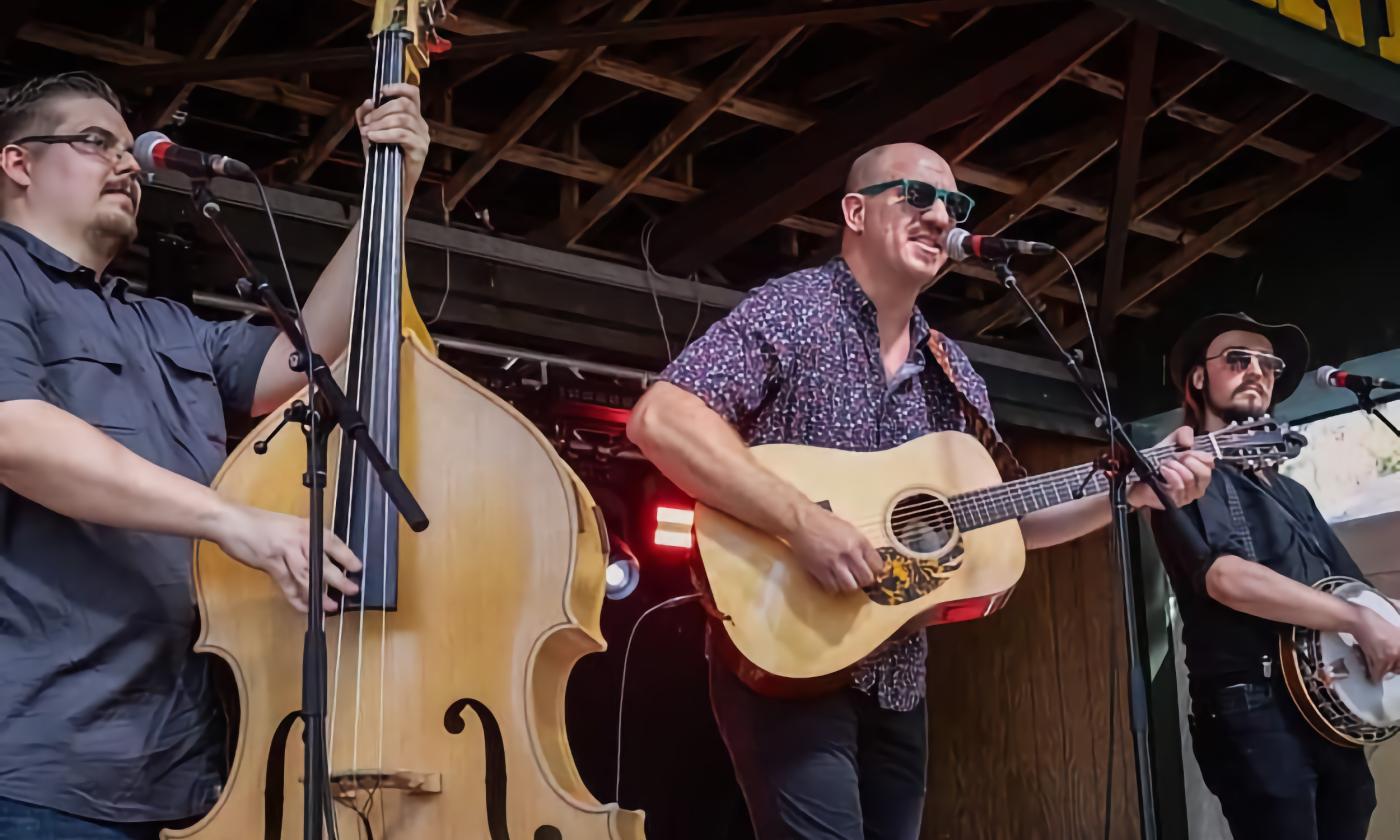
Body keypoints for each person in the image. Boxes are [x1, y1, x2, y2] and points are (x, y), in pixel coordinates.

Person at [626, 141, 1216, 840]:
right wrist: (803, 524)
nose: (941, 215)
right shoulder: (796, 309)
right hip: (786, 646)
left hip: (898, 677)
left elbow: (1011, 516)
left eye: (955, 205)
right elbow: (662, 418)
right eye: (917, 195)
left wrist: (1133, 491)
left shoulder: (952, 368)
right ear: (855, 211)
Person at [0, 72, 430, 838]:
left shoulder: (164, 322)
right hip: (42, 764)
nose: (128, 163)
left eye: (128, 149)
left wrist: (387, 197)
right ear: (18, 163)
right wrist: (237, 523)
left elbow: (301, 360)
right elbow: (17, 435)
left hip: (186, 766)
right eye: (96, 142)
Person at [1149, 313, 1398, 840]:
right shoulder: (1181, 474)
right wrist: (1355, 618)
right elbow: (1226, 579)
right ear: (1198, 378)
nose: (1258, 372)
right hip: (1251, 705)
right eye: (1238, 359)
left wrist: (1377, 625)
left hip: (1326, 705)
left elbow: (1354, 588)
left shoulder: (1293, 494)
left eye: (1269, 364)